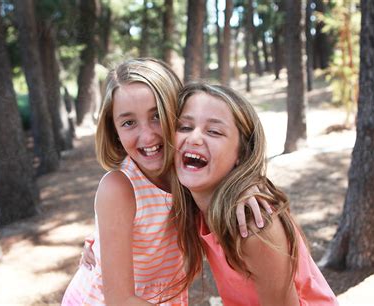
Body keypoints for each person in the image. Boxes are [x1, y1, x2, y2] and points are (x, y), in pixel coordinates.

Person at [63, 59, 269, 305]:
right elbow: (119, 299)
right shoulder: (119, 187)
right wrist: (100, 239)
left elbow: (231, 166)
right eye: (128, 122)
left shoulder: (191, 173)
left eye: (157, 116)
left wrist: (245, 186)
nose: (148, 135)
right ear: (114, 131)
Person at [170, 82, 339, 305]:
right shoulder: (196, 208)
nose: (194, 138)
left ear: (241, 153)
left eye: (214, 131)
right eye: (184, 127)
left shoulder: (253, 223)